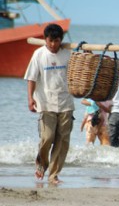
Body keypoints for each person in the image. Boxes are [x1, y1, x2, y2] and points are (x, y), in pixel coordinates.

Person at [24, 23, 74, 184]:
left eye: (57, 41)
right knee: (47, 137)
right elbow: (31, 77)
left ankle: (53, 175)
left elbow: (78, 73)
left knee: (62, 141)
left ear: (61, 40)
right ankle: (41, 164)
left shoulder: (68, 55)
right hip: (45, 103)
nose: (53, 45)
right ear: (45, 39)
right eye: (50, 40)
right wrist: (30, 98)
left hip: (66, 102)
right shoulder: (38, 54)